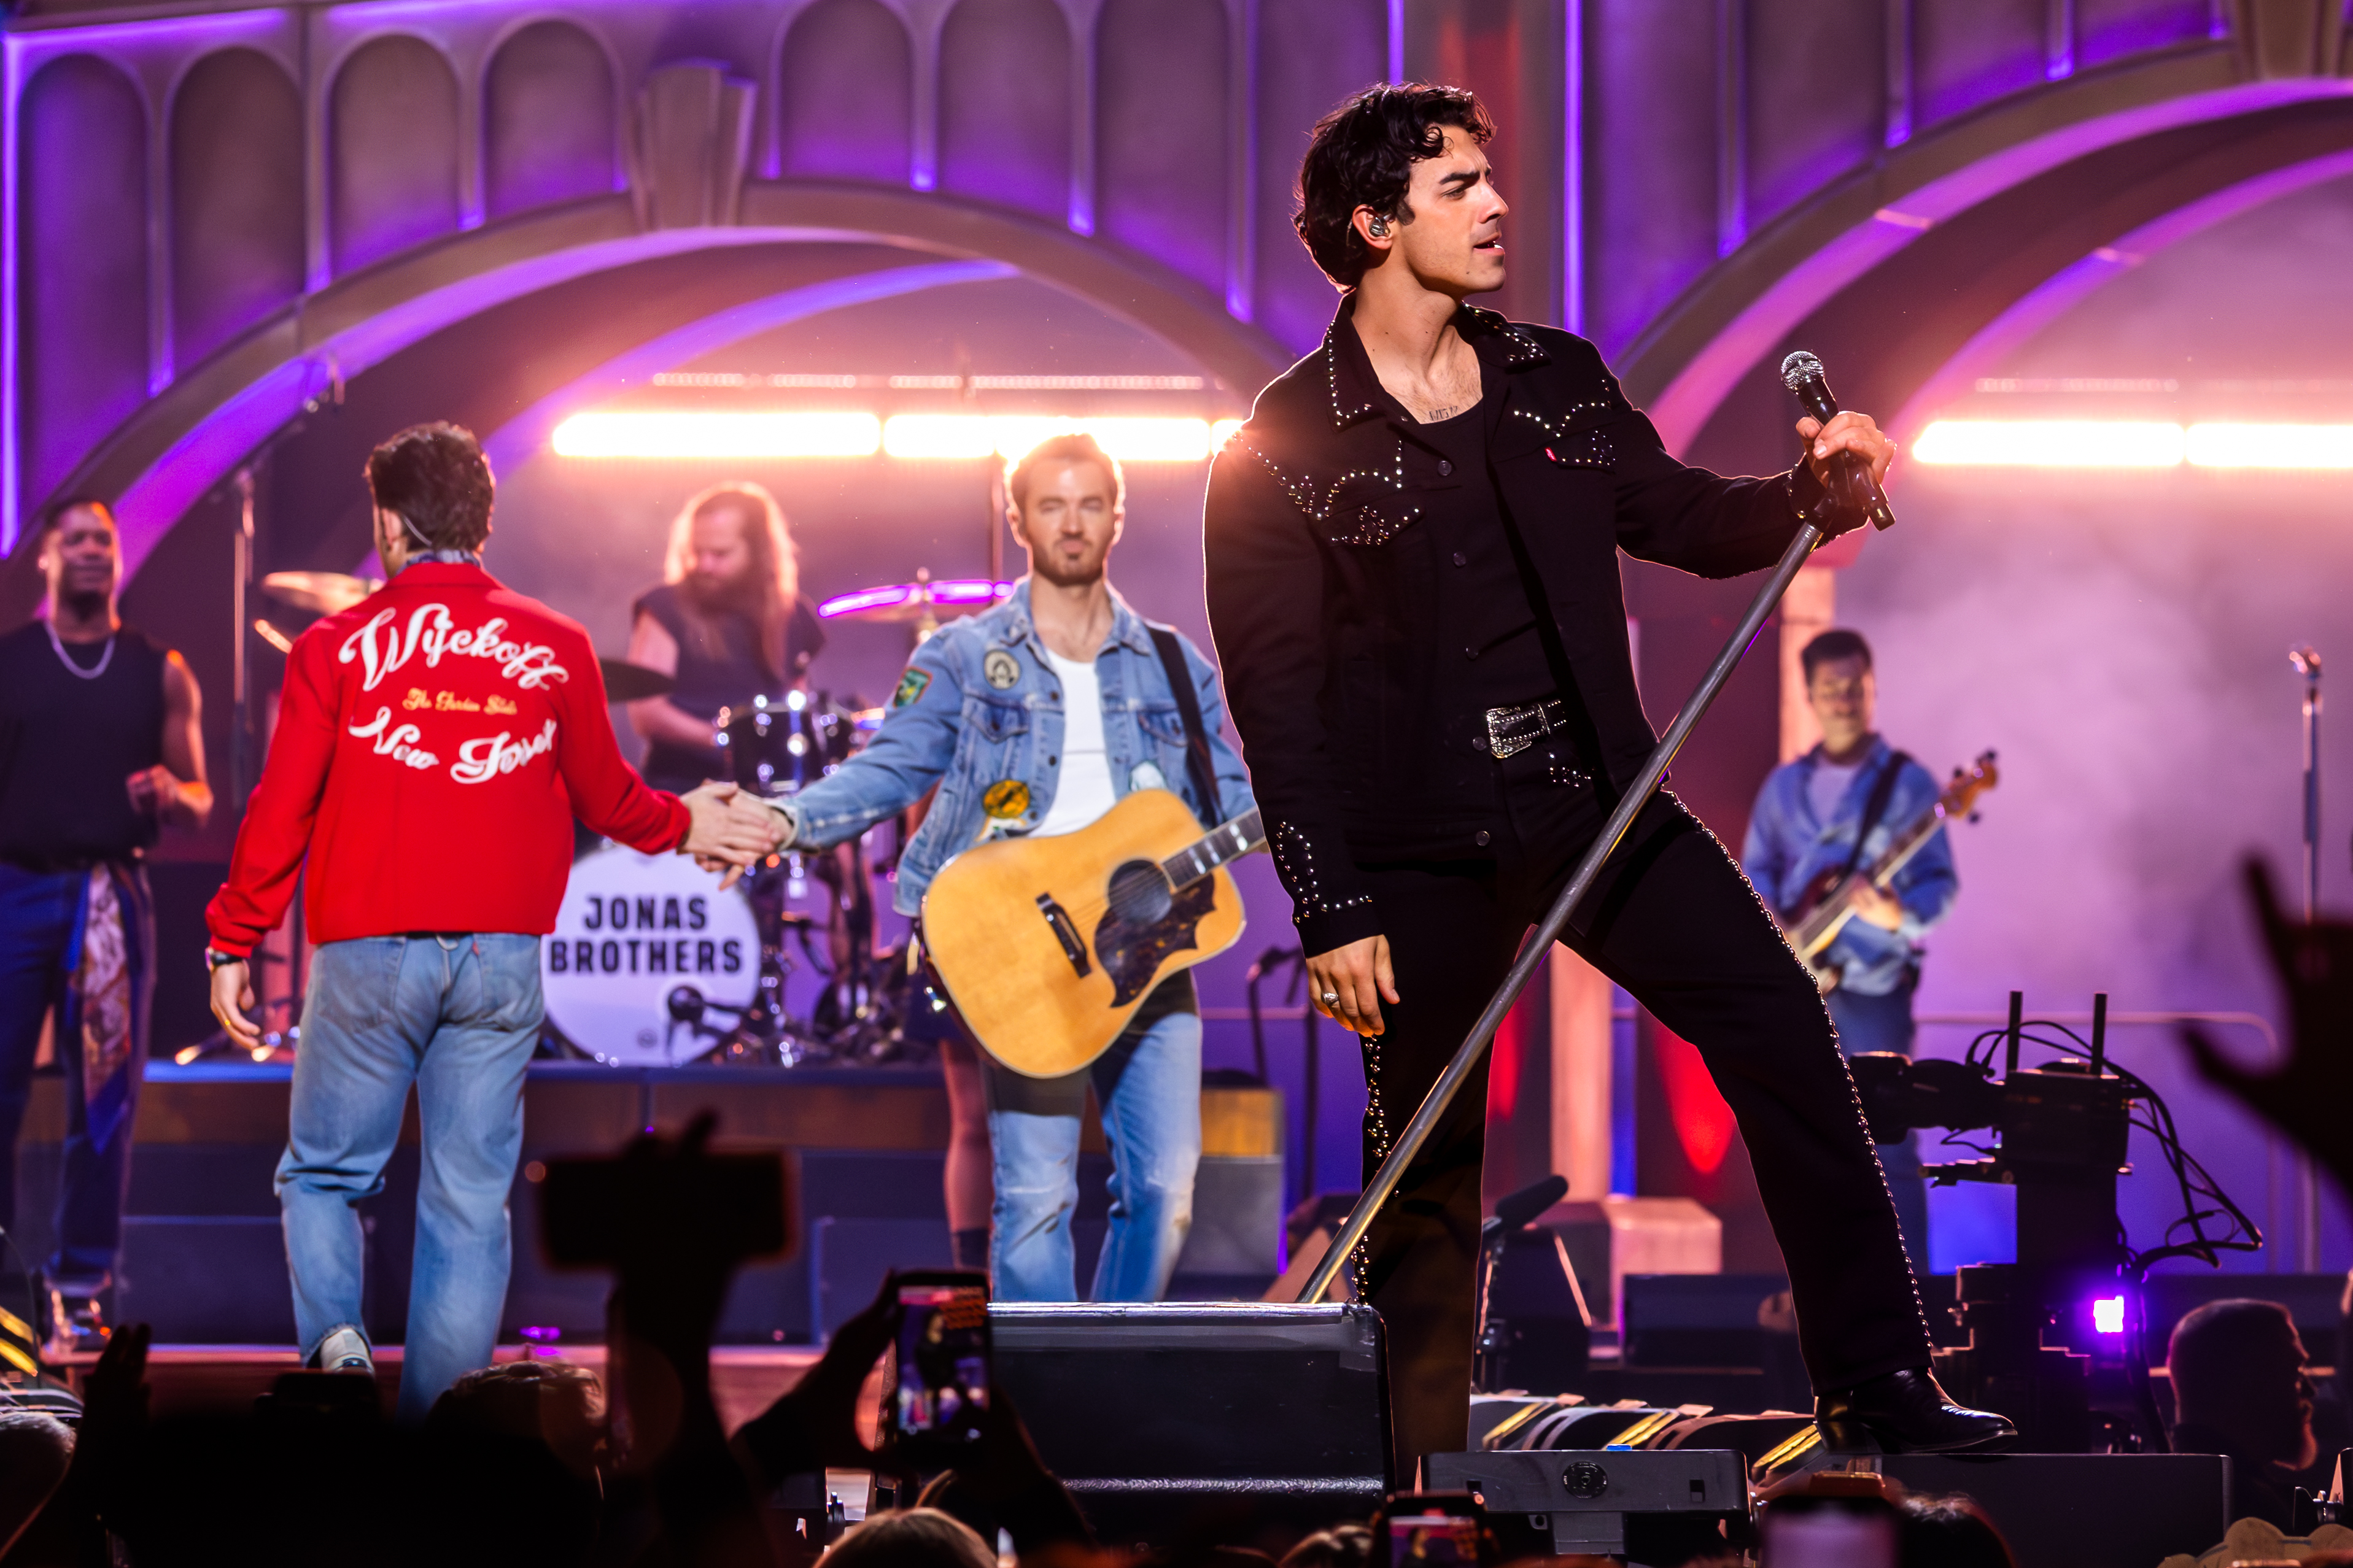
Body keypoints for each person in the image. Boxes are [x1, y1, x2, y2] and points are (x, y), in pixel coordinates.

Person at [1201, 82, 2010, 1468]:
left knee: (1782, 1031)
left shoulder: (1553, 382)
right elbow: (1275, 706)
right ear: (1373, 221)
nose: (1496, 204)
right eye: (1458, 186)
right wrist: (1330, 908)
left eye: (1486, 180)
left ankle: (1875, 1380)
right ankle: (1410, 1472)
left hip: (1596, 806)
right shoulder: (1281, 448)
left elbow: (1688, 519)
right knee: (1431, 1154)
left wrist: (1805, 492)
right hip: (1412, 844)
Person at [202, 423, 778, 1420]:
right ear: (483, 519)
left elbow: (280, 804)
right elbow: (614, 802)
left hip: (368, 952)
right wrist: (696, 824)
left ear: (388, 521)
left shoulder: (335, 646)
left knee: (327, 1178)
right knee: (467, 1204)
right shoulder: (553, 644)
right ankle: (445, 1439)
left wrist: (234, 935)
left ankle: (339, 1371)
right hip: (501, 959)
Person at [772, 432, 1252, 1302]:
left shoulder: (1180, 667)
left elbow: (1228, 801)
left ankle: (1102, 1381)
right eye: (1051, 504)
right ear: (1019, 519)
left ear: (1118, 516)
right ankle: (1035, 1417)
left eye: (1090, 503)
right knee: (1034, 1197)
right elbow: (890, 768)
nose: (1073, 524)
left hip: (1146, 959)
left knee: (1165, 1192)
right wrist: (786, 819)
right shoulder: (960, 654)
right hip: (1022, 947)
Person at [0, 497, 213, 1358]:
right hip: (14, 887)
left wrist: (170, 794)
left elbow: (201, 800)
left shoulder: (158, 667)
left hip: (109, 894)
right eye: (77, 539)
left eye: (105, 540)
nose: (94, 550)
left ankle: (81, 1284)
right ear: (48, 558)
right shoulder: (10, 662)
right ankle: (6, 1285)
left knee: (103, 1100)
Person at [1742, 628, 1957, 1270]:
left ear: (1872, 687)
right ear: (1809, 694)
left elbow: (1938, 885)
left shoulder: (1908, 784)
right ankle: (1819, 1283)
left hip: (1871, 985)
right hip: (1799, 985)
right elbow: (1752, 874)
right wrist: (1780, 938)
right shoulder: (1783, 788)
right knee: (1803, 1137)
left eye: (1853, 686)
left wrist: (1894, 913)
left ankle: (1915, 1295)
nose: (1842, 700)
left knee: (1887, 1140)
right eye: (1829, 689)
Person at [624, 481, 826, 795]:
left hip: (770, 793)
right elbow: (647, 713)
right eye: (697, 552)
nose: (704, 565)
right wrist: (728, 740)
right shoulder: (664, 606)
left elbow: (798, 703)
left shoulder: (792, 613)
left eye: (720, 554)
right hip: (683, 791)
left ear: (757, 551)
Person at [2166, 1299, 2318, 1529]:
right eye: (2294, 1373)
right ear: (2248, 1383)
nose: (2310, 1390)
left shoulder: (2175, 1493)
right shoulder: (2253, 1514)